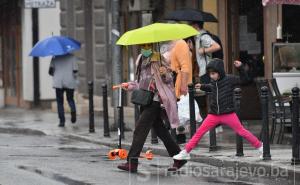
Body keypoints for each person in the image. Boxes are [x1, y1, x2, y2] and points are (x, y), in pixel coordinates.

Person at [173, 59, 263, 160]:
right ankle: (186, 152)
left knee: (242, 131)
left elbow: (245, 80)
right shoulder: (214, 81)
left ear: (219, 72)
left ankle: (261, 147)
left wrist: (240, 67)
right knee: (199, 132)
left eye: (213, 74)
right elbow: (213, 87)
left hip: (228, 113)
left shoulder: (229, 79)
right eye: (210, 74)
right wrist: (203, 86)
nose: (211, 76)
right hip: (214, 114)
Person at [117, 44, 186, 173]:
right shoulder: (140, 60)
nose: (145, 49)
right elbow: (140, 82)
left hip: (154, 101)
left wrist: (165, 73)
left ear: (152, 46)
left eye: (148, 46)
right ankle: (179, 157)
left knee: (139, 130)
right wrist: (130, 86)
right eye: (143, 46)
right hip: (144, 100)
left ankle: (132, 162)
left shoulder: (158, 59)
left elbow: (169, 79)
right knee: (161, 132)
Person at [190, 21, 221, 128]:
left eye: (191, 25)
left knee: (210, 97)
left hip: (207, 71)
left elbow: (216, 46)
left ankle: (214, 124)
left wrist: (203, 50)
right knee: (208, 97)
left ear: (195, 26)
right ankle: (214, 123)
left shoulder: (203, 36)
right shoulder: (198, 37)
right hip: (204, 71)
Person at [49, 53, 78, 127]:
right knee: (70, 99)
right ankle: (73, 110)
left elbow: (50, 71)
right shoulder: (72, 57)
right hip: (69, 81)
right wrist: (74, 78)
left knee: (59, 102)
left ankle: (62, 121)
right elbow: (75, 70)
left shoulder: (55, 57)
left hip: (58, 82)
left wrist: (55, 74)